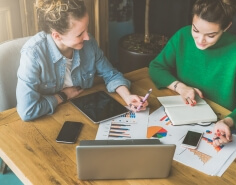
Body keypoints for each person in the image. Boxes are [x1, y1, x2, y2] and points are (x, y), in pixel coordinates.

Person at [149, 0, 236, 146]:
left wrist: (227, 122)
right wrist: (181, 87)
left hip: (218, 125)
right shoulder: (182, 36)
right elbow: (156, 67)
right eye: (195, 30)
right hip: (183, 116)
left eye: (211, 35)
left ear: (226, 27)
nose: (200, 40)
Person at [16, 0, 148, 121]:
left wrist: (128, 97)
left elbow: (111, 75)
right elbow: (27, 110)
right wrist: (62, 96)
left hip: (84, 111)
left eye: (86, 29)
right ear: (57, 36)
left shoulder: (89, 45)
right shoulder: (33, 55)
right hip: (49, 119)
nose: (87, 37)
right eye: (80, 34)